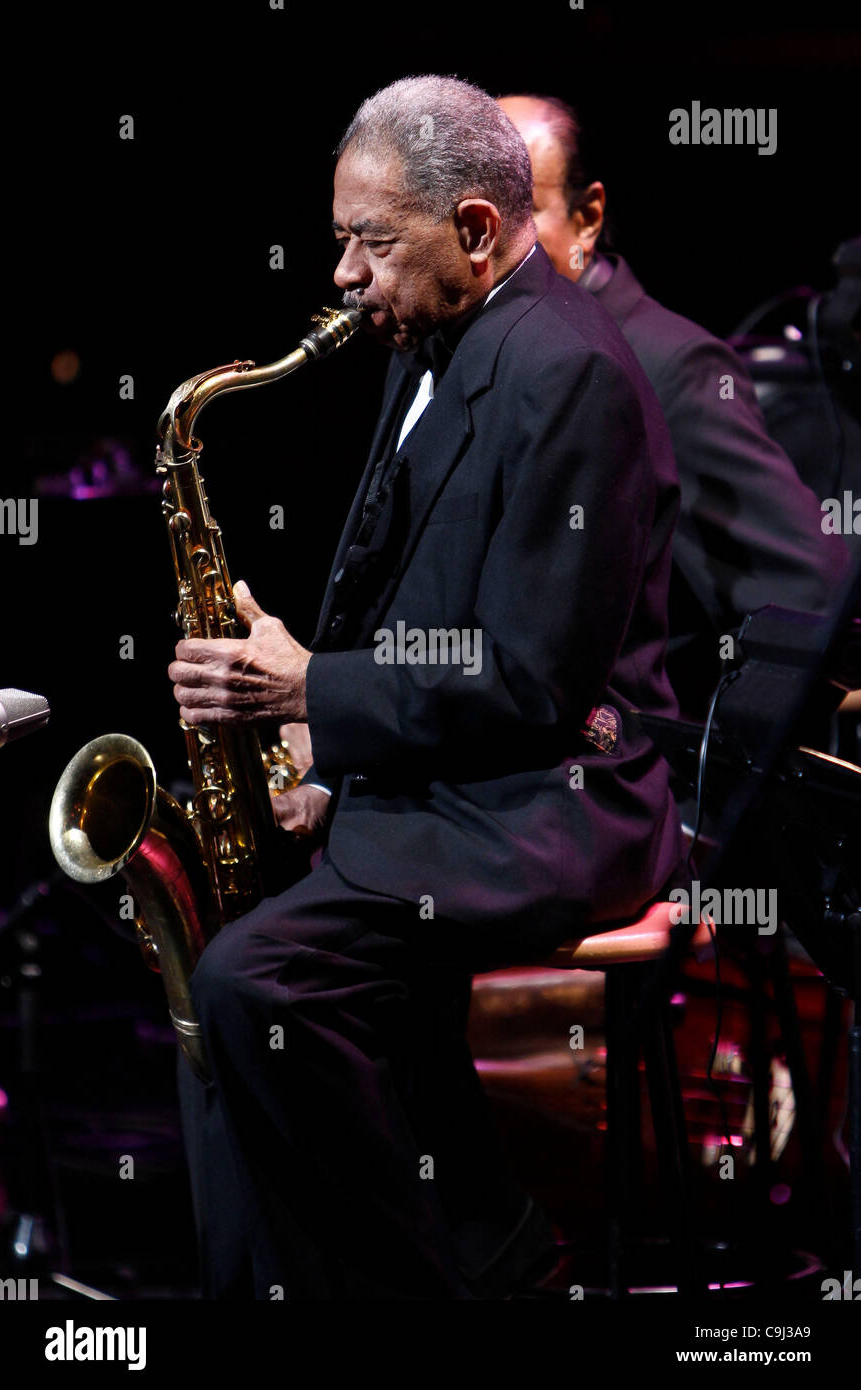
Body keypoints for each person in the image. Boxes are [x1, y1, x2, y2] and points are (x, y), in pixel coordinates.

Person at [169, 74, 685, 1300]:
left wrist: (309, 691)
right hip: (456, 770)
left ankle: (445, 1275)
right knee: (221, 973)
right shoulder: (433, 335)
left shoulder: (570, 377)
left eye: (368, 241)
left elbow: (527, 675)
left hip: (553, 797)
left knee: (257, 982)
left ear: (469, 229)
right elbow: (406, 592)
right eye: (339, 239)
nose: (343, 275)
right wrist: (317, 748)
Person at [497, 94, 848, 718]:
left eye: (520, 211)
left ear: (587, 217)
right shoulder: (461, 351)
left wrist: (691, 763)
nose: (488, 246)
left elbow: (810, 599)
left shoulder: (667, 367)